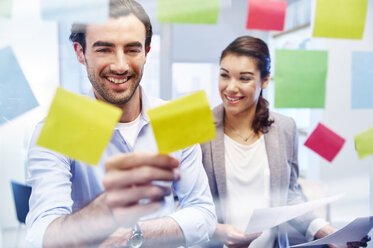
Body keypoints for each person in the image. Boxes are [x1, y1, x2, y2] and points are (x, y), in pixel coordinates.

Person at [25, 0, 216, 247]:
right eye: (104, 49)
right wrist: (104, 210)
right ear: (80, 53)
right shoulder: (62, 126)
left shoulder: (175, 117)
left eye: (132, 49)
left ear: (147, 52)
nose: (120, 65)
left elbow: (204, 214)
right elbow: (39, 237)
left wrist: (135, 233)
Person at [201, 36, 370, 248]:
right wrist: (216, 230)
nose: (231, 88)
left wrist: (326, 232)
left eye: (244, 78)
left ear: (265, 80)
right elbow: (182, 202)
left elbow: (289, 197)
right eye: (224, 76)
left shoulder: (285, 128)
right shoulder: (198, 129)